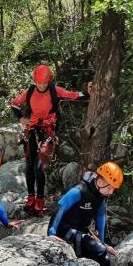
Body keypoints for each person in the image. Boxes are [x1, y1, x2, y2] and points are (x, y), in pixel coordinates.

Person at [10, 64, 93, 215]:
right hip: (31, 130)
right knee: (29, 164)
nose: (41, 85)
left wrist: (88, 91)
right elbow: (14, 104)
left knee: (39, 165)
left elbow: (75, 95)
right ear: (35, 81)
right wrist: (21, 118)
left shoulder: (55, 91)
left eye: (44, 82)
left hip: (48, 131)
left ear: (49, 80)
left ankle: (40, 199)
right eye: (39, 82)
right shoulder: (29, 91)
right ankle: (31, 197)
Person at [47, 161, 122, 266]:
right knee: (100, 251)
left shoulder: (100, 196)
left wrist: (102, 242)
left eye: (113, 189)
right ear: (100, 182)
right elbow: (60, 208)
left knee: (104, 255)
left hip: (81, 231)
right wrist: (51, 233)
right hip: (65, 230)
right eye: (110, 188)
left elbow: (100, 219)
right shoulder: (78, 191)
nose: (111, 192)